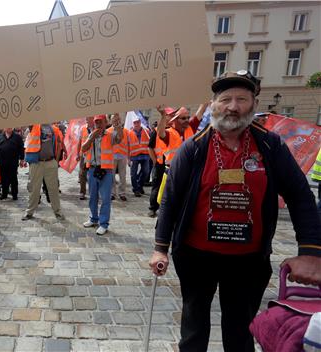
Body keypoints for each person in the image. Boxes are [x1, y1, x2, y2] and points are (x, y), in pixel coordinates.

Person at [149, 70, 321, 351]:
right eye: (225, 98)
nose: (233, 106)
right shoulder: (193, 148)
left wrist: (311, 252)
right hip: (196, 256)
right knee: (193, 328)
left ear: (254, 104)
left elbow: (301, 197)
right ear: (214, 104)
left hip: (248, 260)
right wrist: (160, 248)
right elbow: (171, 200)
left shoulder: (270, 145)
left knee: (240, 332)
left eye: (242, 98)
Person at [80, 114, 122, 235]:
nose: (98, 124)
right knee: (92, 197)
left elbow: (120, 138)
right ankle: (93, 218)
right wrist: (92, 137)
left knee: (105, 198)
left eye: (100, 122)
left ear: (105, 123)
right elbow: (83, 148)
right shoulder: (90, 134)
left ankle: (103, 224)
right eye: (96, 122)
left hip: (106, 171)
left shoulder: (110, 135)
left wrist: (118, 126)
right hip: (92, 170)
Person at [21, 121, 65, 221]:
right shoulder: (33, 125)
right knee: (34, 189)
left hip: (50, 162)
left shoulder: (54, 128)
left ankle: (57, 211)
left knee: (53, 189)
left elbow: (59, 143)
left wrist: (55, 161)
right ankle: (29, 212)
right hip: (37, 163)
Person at [147, 107, 176, 217]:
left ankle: (164, 209)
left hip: (170, 164)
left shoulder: (174, 130)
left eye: (173, 115)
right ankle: (152, 208)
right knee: (156, 186)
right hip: (160, 164)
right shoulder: (156, 131)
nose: (172, 117)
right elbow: (150, 148)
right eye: (170, 115)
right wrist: (155, 162)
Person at [0, 127, 25, 200]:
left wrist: (22, 159)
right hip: (2, 162)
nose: (9, 127)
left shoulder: (17, 137)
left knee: (13, 178)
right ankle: (4, 194)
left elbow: (21, 148)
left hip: (13, 162)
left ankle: (14, 194)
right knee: (3, 179)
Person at [128, 118, 151, 197]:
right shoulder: (129, 133)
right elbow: (127, 146)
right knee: (133, 174)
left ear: (140, 122)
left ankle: (140, 186)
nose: (136, 124)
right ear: (132, 123)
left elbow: (151, 143)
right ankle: (136, 189)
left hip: (145, 155)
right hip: (134, 156)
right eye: (135, 123)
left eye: (138, 122)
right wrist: (128, 158)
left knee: (146, 172)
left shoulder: (147, 131)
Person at [110, 113, 129, 201]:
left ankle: (122, 193)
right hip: (112, 156)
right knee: (111, 176)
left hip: (122, 155)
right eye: (114, 120)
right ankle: (112, 193)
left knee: (123, 175)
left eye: (118, 120)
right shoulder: (109, 131)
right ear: (111, 121)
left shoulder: (125, 131)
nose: (116, 121)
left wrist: (129, 157)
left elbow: (128, 144)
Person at [76, 116, 95, 200]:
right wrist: (77, 154)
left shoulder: (97, 129)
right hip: (84, 155)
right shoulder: (82, 129)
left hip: (94, 155)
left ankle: (93, 192)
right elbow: (79, 142)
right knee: (82, 174)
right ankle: (82, 192)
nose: (87, 119)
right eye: (86, 118)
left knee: (93, 174)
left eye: (89, 117)